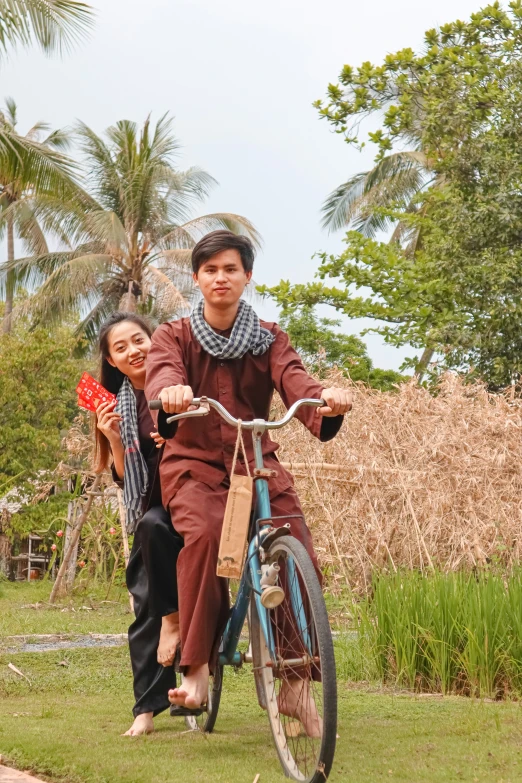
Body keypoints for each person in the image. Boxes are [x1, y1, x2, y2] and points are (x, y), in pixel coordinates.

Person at [145, 230, 352, 736]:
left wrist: (325, 396)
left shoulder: (269, 336)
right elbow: (162, 374)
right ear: (197, 278)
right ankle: (195, 669)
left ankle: (296, 683)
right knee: (211, 534)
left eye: (230, 269)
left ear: (247, 277)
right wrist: (171, 392)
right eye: (210, 270)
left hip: (257, 462)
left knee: (295, 543)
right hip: (194, 467)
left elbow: (296, 379)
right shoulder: (173, 336)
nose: (221, 278)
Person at [94, 312, 183, 736]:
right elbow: (121, 477)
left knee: (153, 536)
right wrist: (113, 439)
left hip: (193, 501)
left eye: (139, 340)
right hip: (153, 509)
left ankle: (180, 636)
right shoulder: (120, 406)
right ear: (112, 361)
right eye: (121, 347)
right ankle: (146, 708)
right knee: (145, 595)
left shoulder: (180, 386)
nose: (134, 351)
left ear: (155, 339)